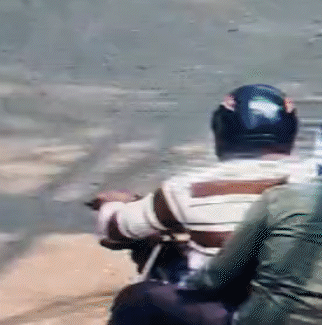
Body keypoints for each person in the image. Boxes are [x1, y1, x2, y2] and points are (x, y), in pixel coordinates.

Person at [111, 105, 322, 325]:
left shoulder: (281, 198)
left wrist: (184, 284)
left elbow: (217, 276)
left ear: (319, 145)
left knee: (141, 298)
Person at [92, 84, 300, 321]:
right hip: (302, 310)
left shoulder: (188, 188)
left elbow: (114, 229)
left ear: (221, 133)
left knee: (137, 296)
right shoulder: (316, 183)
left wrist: (114, 205)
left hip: (225, 312)